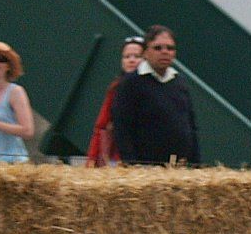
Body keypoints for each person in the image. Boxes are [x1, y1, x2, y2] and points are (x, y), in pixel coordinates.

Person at [111, 25, 200, 166]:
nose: (165, 52)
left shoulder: (179, 82)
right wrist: (133, 165)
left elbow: (191, 126)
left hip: (179, 170)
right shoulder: (130, 83)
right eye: (158, 48)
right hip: (146, 170)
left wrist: (196, 164)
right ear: (145, 52)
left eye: (170, 48)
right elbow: (122, 128)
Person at [86, 36, 145, 167]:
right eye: (127, 56)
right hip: (117, 158)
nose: (132, 60)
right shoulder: (116, 88)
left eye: (137, 56)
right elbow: (102, 125)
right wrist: (92, 160)